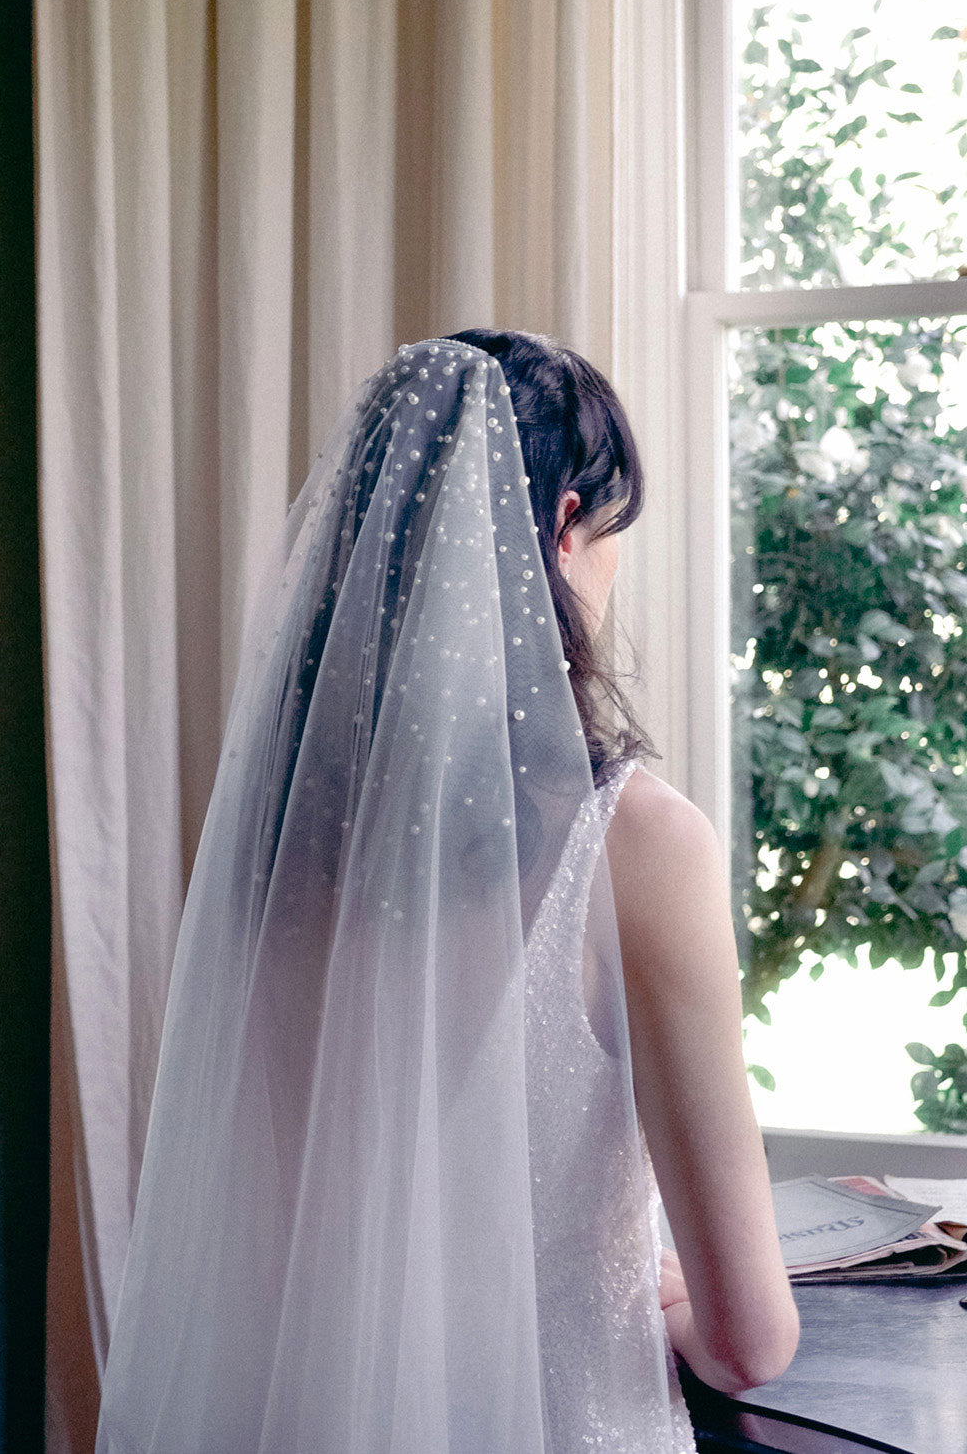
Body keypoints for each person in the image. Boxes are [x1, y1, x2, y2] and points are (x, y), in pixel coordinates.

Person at [94, 329, 798, 1453]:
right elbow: (748, 1343)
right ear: (565, 526)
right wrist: (652, 1300)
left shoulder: (280, 849)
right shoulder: (638, 845)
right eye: (616, 536)